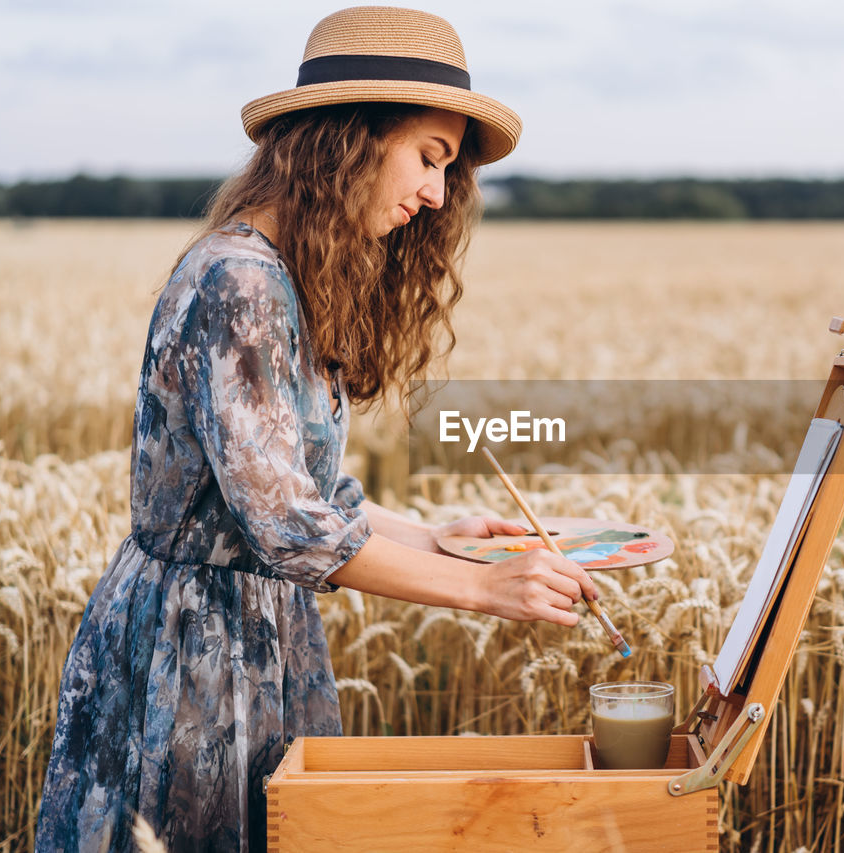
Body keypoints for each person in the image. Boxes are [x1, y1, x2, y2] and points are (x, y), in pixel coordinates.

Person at [35, 8, 599, 851]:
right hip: (190, 658)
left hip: (259, 637)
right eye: (428, 157)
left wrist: (440, 541)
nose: (437, 194)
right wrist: (484, 590)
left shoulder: (292, 283)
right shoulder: (239, 281)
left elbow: (312, 498)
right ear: (347, 140)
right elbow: (288, 528)